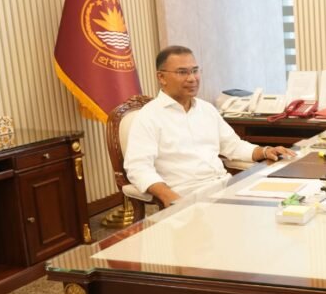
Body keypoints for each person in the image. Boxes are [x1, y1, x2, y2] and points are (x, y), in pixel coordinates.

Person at [125, 45, 295, 207]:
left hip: (225, 187)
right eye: (182, 72)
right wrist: (168, 196)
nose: (192, 78)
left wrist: (265, 151)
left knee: (287, 203)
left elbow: (233, 146)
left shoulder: (206, 109)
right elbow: (138, 167)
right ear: (161, 77)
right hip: (186, 195)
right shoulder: (149, 116)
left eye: (195, 71)